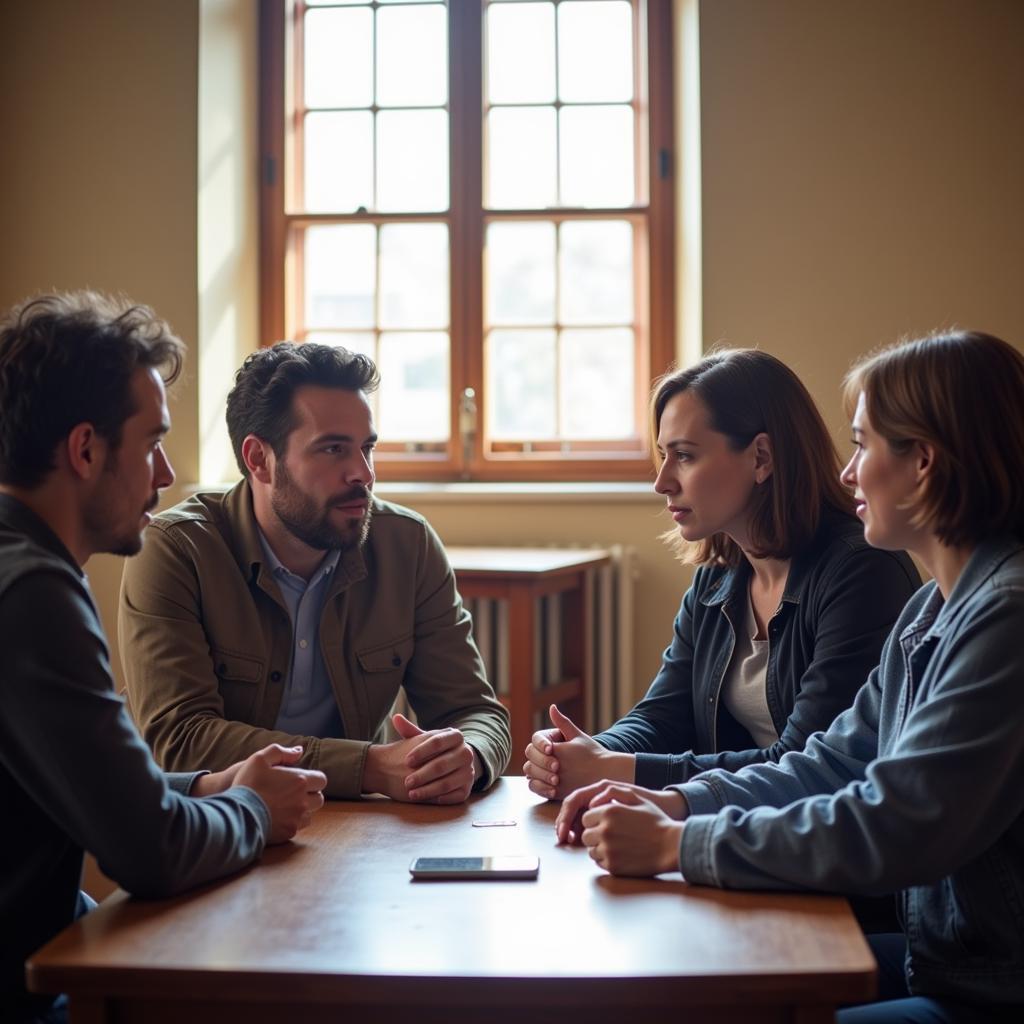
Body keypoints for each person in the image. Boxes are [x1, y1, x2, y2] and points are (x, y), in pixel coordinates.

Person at [558, 331, 1024, 1022]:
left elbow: (896, 823)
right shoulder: (933, 609)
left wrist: (678, 842)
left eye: (863, 444)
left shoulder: (1005, 617)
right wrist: (677, 805)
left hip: (990, 983)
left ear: (923, 461)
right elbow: (831, 762)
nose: (848, 471)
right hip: (949, 953)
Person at [0, 293, 327, 1024]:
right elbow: (149, 850)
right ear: (85, 451)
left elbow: (84, 786)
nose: (166, 473)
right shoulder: (33, 594)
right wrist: (253, 807)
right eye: (151, 443)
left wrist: (212, 784)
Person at [119, 342, 510, 804]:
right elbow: (180, 741)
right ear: (259, 459)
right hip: (216, 828)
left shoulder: (407, 544)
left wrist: (467, 757)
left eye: (367, 449)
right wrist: (367, 766)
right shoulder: (176, 550)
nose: (362, 474)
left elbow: (475, 711)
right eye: (333, 450)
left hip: (357, 828)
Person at [524, 349, 919, 799]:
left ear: (761, 457)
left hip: (816, 841)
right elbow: (663, 716)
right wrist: (584, 752)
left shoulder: (862, 571)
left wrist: (620, 770)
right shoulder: (717, 579)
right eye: (662, 456)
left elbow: (809, 765)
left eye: (685, 456)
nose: (663, 482)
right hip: (739, 828)